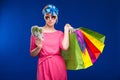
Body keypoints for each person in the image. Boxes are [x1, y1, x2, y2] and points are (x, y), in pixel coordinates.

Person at [30, 4, 72, 80]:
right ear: (44, 17)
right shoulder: (37, 32)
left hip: (58, 66)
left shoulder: (59, 33)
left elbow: (65, 47)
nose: (50, 19)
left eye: (53, 17)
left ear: (57, 18)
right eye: (47, 17)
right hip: (44, 65)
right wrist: (39, 47)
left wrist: (66, 30)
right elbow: (32, 54)